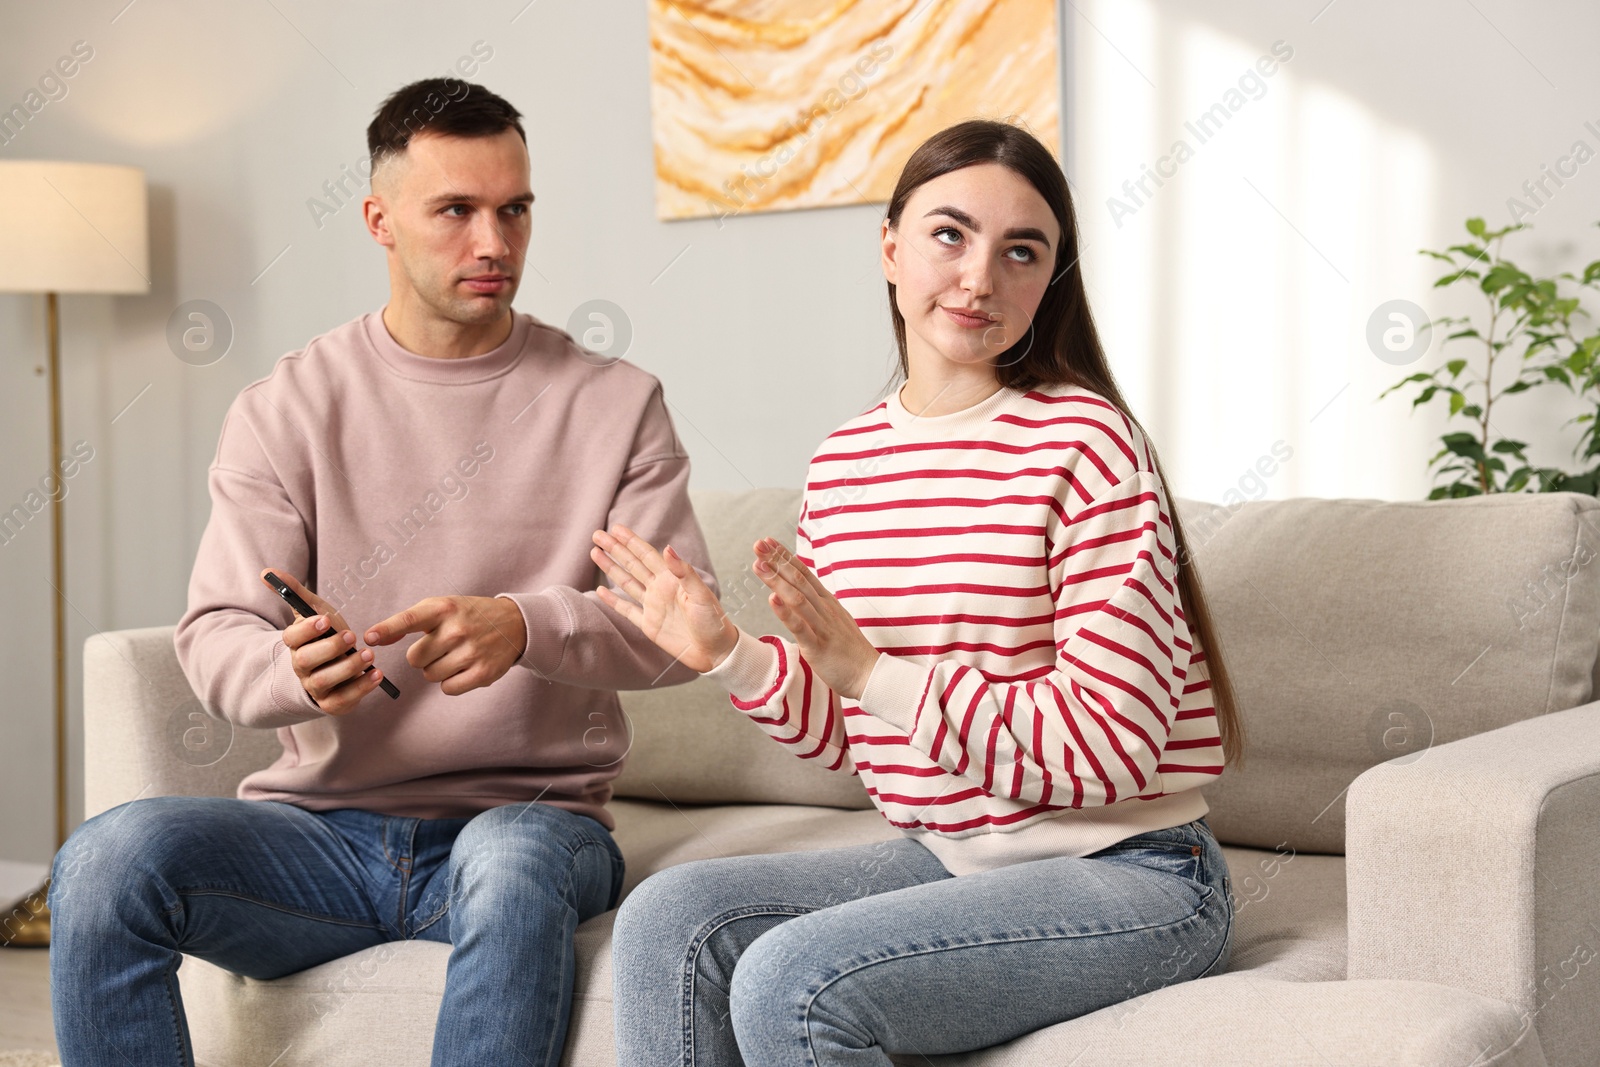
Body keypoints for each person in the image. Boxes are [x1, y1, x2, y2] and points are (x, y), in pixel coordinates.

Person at [47, 77, 717, 1067]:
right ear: (379, 219)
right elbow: (217, 629)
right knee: (101, 861)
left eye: (514, 210)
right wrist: (291, 669)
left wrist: (524, 622)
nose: (493, 243)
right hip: (316, 837)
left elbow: (676, 629)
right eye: (456, 210)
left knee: (509, 860)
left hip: (526, 822)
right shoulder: (287, 406)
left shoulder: (615, 403)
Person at [594, 118, 1248, 1065]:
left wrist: (874, 670)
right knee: (668, 917)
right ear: (890, 246)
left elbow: (1112, 745)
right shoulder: (849, 461)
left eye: (1021, 252)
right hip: (948, 852)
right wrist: (729, 653)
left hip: (1132, 872)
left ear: (1048, 282)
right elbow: (848, 734)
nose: (979, 277)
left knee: (792, 980)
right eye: (950, 234)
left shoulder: (1089, 446)